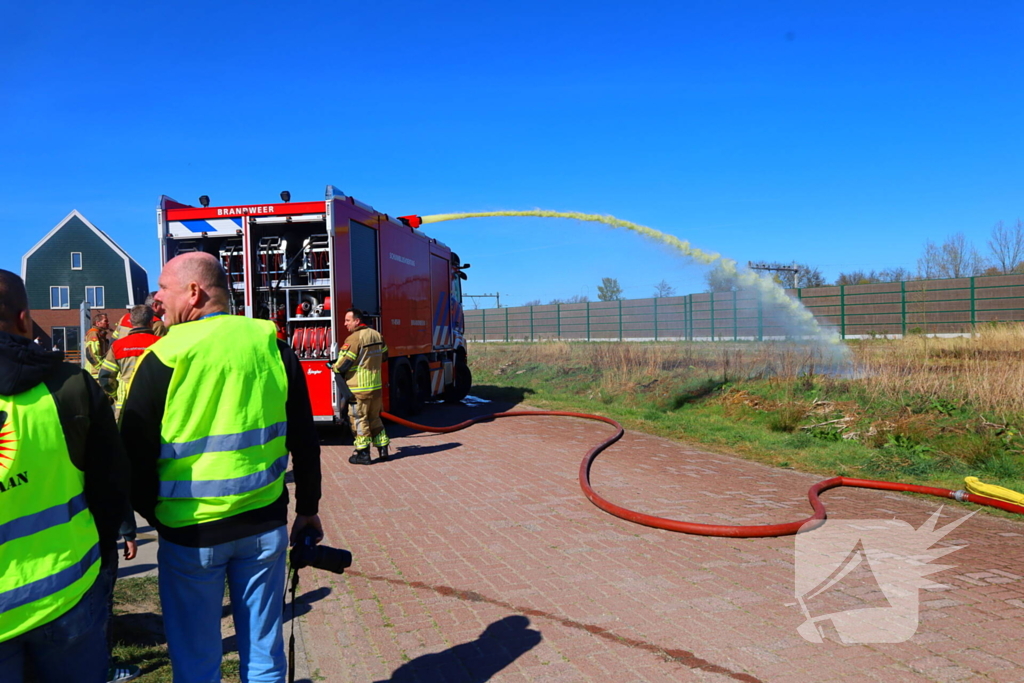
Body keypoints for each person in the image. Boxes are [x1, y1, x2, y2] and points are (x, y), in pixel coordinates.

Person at [120, 252, 322, 683]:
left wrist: (157, 517)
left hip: (191, 534)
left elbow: (132, 455)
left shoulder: (163, 356)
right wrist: (308, 507)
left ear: (194, 292)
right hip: (264, 527)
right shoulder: (271, 344)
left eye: (162, 288)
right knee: (264, 653)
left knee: (196, 660)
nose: (156, 299)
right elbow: (304, 438)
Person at [0, 270, 131, 683]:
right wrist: (110, 550)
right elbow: (110, 483)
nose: (107, 324)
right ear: (24, 319)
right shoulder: (69, 385)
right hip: (68, 593)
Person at [331, 308, 391, 465]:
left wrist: (333, 367)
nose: (345, 324)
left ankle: (363, 454)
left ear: (357, 321)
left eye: (347, 320)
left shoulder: (354, 339)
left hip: (359, 389)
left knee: (359, 420)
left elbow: (343, 365)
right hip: (376, 387)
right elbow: (385, 356)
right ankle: (383, 448)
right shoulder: (377, 335)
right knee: (374, 417)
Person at [98, 305, 162, 419]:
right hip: (154, 403)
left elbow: (105, 377)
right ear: (151, 322)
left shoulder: (118, 346)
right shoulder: (161, 344)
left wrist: (115, 394)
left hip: (125, 404)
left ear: (131, 322)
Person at [84, 313, 111, 378]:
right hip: (94, 373)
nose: (108, 323)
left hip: (97, 372)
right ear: (98, 323)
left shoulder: (100, 334)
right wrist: (101, 368)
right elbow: (92, 354)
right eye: (105, 321)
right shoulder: (93, 333)